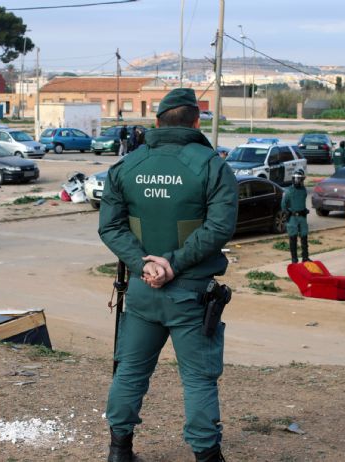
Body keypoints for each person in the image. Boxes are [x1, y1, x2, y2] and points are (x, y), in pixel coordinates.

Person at [99, 88, 238, 462]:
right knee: (197, 379)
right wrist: (172, 264)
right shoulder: (212, 166)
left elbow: (110, 228)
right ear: (196, 122)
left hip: (142, 290)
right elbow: (219, 229)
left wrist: (145, 264)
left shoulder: (126, 167)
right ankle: (207, 455)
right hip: (191, 295)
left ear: (157, 122)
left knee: (130, 372)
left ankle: (119, 450)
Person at [282, 168, 311, 264]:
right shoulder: (289, 191)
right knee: (293, 238)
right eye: (295, 178)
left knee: (304, 236)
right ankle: (294, 259)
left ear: (302, 180)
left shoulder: (303, 190)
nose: (297, 181)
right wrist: (287, 213)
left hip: (302, 217)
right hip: (293, 217)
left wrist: (305, 211)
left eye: (299, 179)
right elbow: (283, 204)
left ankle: (305, 257)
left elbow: (302, 203)